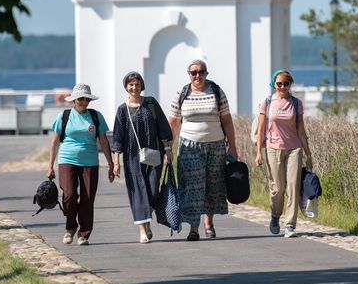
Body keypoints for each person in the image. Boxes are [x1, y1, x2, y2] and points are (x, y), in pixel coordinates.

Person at [168, 59, 238, 241]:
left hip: (215, 144)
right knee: (192, 186)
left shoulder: (216, 91)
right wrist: (167, 148)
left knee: (212, 184)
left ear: (207, 73)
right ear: (189, 74)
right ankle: (193, 227)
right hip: (189, 145)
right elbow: (174, 122)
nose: (197, 75)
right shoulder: (181, 94)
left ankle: (209, 222)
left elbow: (227, 120)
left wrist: (233, 146)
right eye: (193, 72)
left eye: (201, 72)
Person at [47, 83, 115, 246]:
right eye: (81, 99)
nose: (84, 102)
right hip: (66, 160)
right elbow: (54, 142)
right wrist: (50, 166)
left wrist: (111, 164)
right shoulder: (63, 116)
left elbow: (104, 141)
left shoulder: (96, 116)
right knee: (69, 195)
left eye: (87, 99)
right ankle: (70, 227)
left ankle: (83, 234)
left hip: (90, 161)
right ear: (74, 100)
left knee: (88, 198)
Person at [111, 71, 174, 243]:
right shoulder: (122, 110)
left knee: (153, 190)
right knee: (138, 190)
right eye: (131, 84)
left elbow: (163, 127)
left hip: (154, 153)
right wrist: (116, 162)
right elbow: (117, 137)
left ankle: (147, 219)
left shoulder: (151, 103)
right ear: (126, 87)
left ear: (142, 86)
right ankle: (142, 230)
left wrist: (168, 149)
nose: (134, 87)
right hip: (132, 157)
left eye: (137, 84)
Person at [255, 69, 313, 238]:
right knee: (277, 188)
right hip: (273, 148)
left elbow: (301, 129)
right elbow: (260, 130)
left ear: (290, 85)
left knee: (293, 186)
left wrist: (308, 153)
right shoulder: (267, 102)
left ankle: (290, 225)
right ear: (274, 84)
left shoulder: (296, 103)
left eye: (286, 84)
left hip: (294, 148)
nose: (282, 87)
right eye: (279, 84)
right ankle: (275, 215)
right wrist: (258, 152)